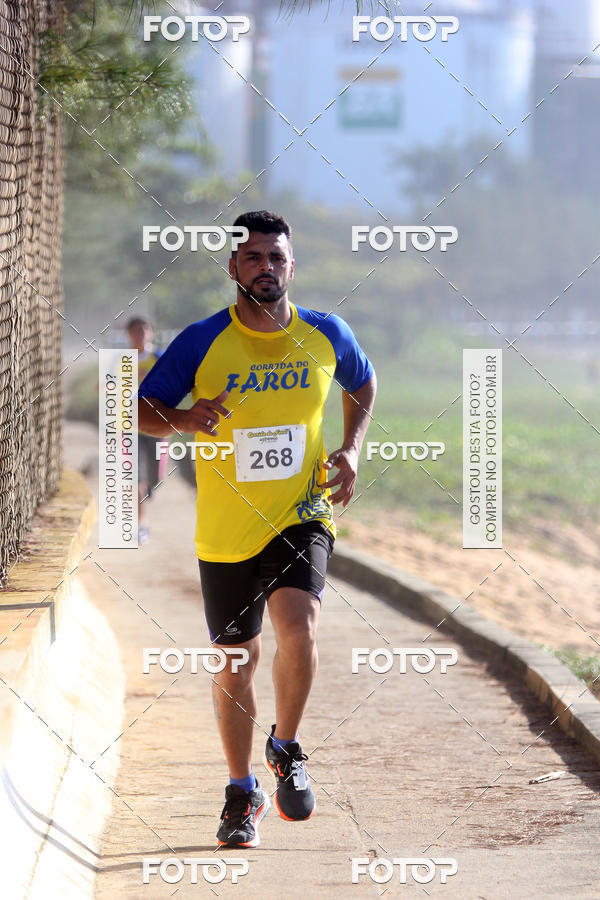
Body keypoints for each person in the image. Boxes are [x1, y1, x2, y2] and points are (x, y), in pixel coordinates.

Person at [137, 210, 376, 848]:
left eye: (276, 257)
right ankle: (242, 790)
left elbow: (363, 381)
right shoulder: (202, 341)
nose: (265, 267)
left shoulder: (326, 333)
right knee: (237, 663)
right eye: (253, 257)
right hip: (226, 530)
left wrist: (352, 448)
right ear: (234, 268)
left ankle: (287, 746)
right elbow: (141, 409)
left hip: (302, 512)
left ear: (292, 266)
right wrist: (185, 419)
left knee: (300, 627)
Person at [126, 317, 163, 544]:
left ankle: (149, 487)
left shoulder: (160, 358)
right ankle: (142, 525)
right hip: (129, 425)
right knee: (136, 478)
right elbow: (104, 387)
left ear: (150, 332)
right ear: (129, 335)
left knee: (155, 477)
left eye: (143, 330)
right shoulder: (121, 360)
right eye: (135, 331)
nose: (140, 334)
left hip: (157, 424)